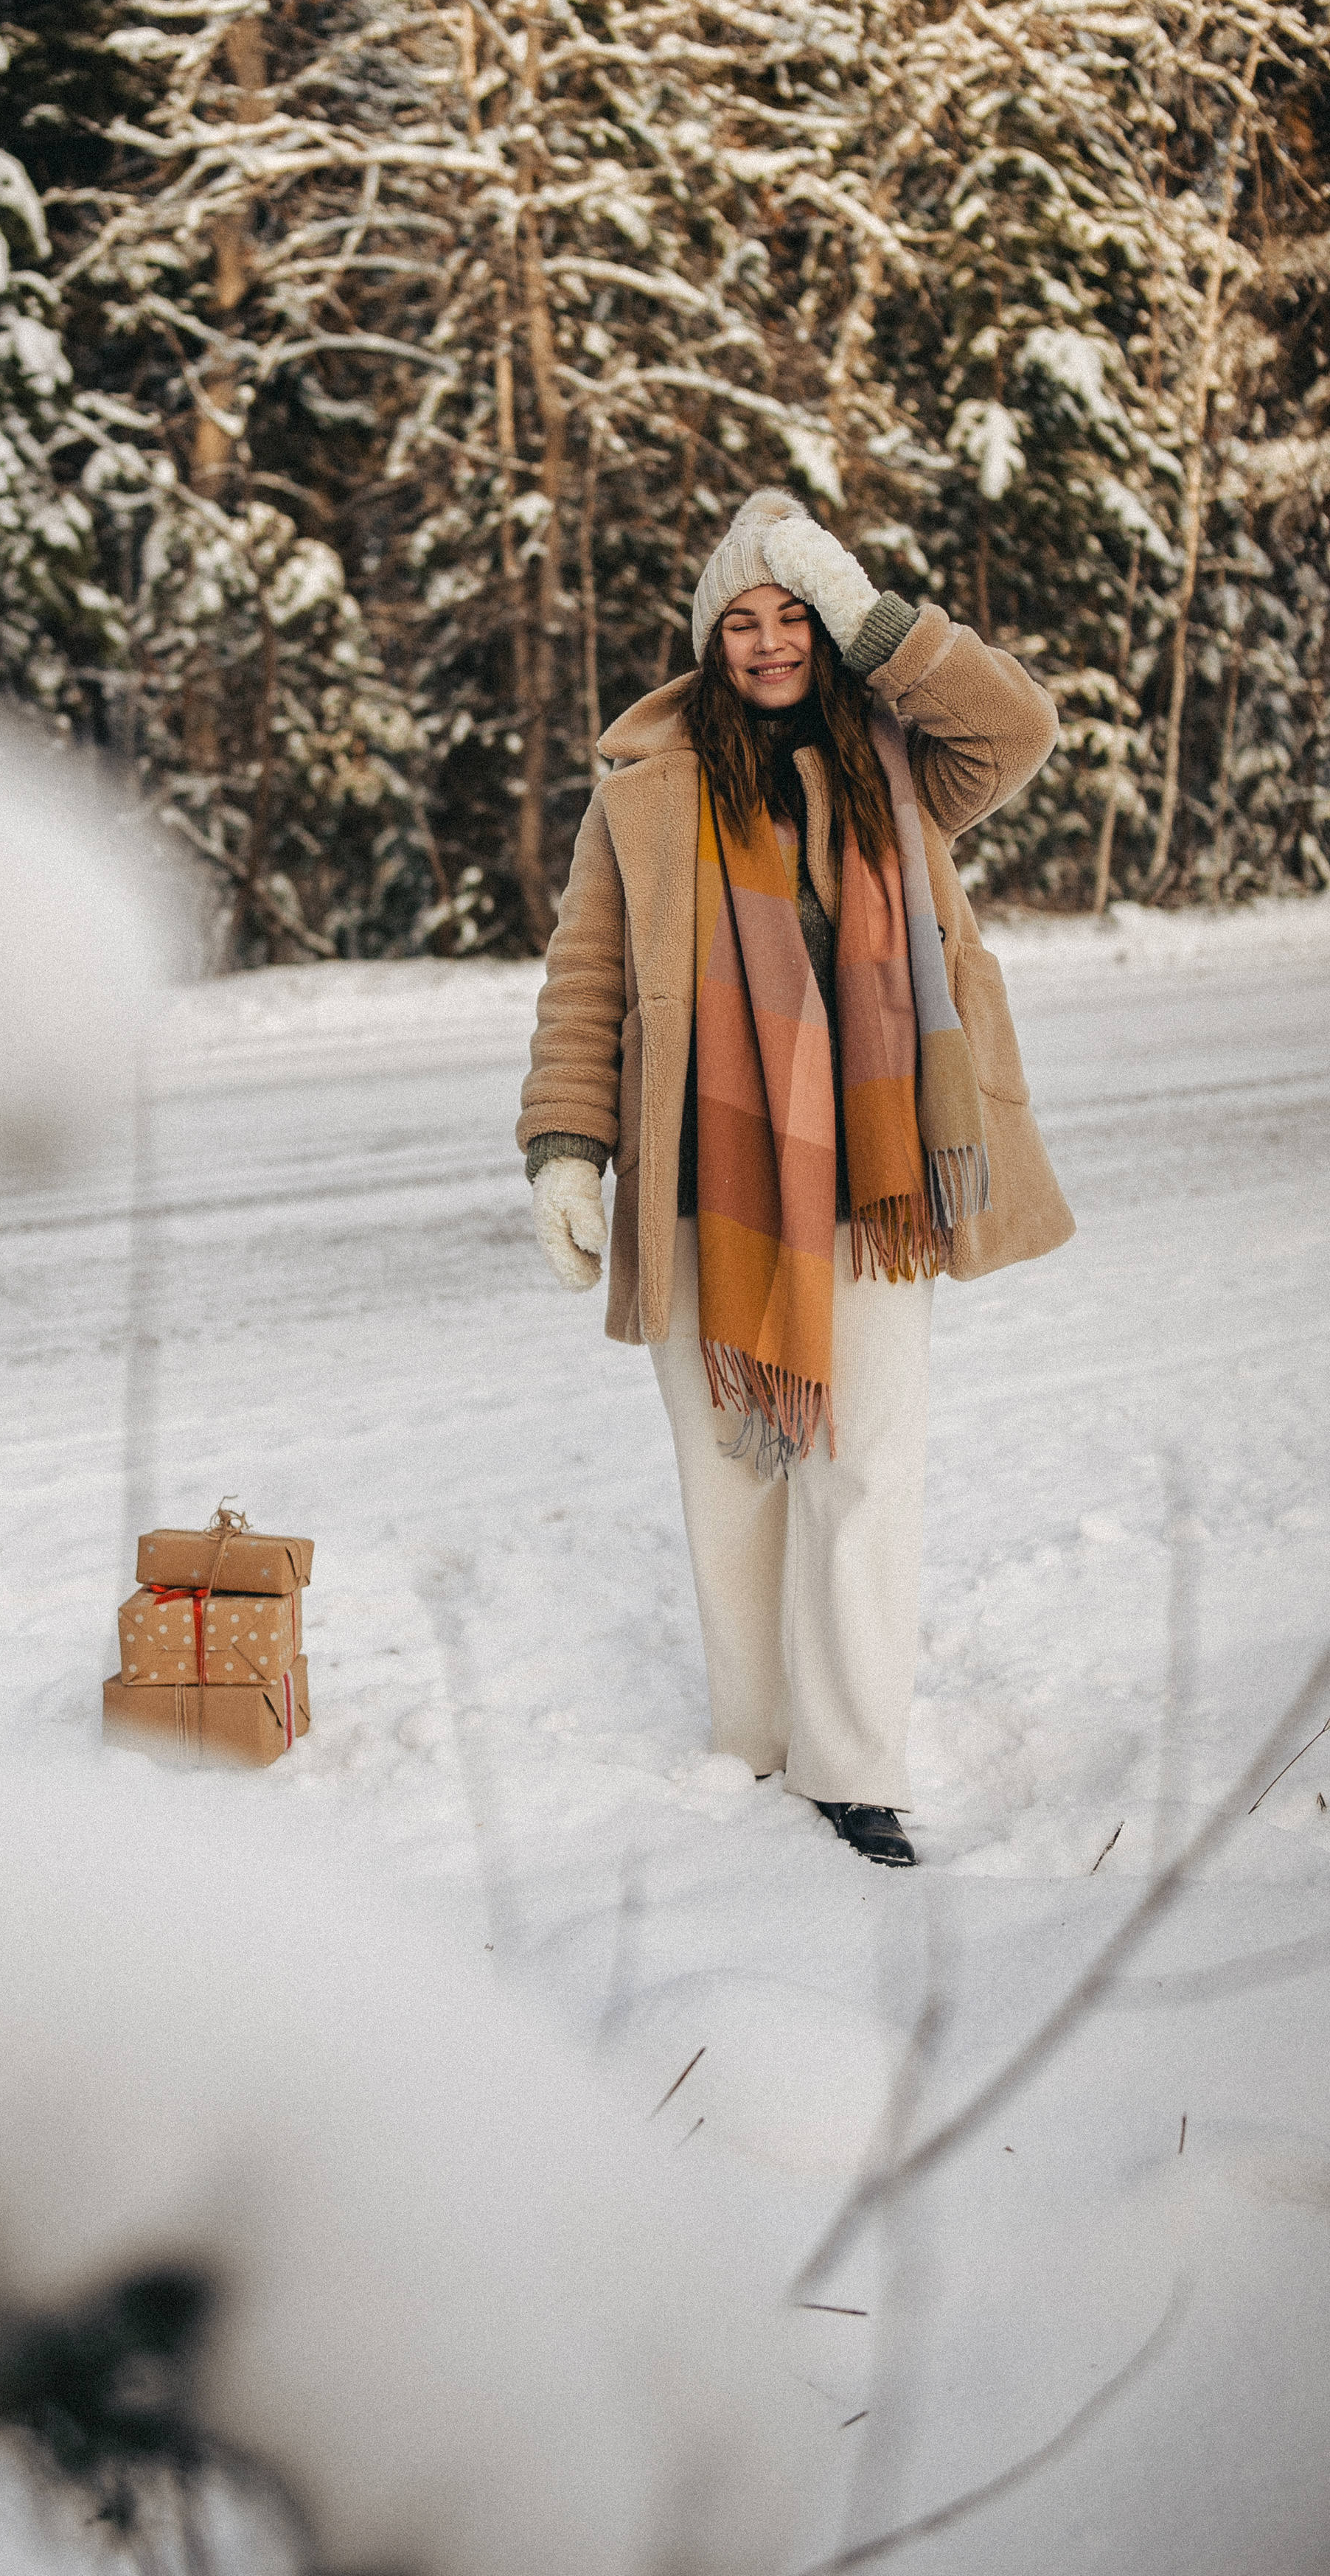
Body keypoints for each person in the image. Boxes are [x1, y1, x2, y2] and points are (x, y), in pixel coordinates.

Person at [518, 489, 1073, 1868]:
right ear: (710, 648)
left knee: (865, 1464)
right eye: (743, 623)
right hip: (708, 1174)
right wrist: (565, 1151)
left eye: (794, 618)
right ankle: (757, 1736)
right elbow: (586, 983)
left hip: (873, 1179)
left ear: (826, 634)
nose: (769, 645)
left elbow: (1020, 724)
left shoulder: (910, 768)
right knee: (734, 1472)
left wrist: (873, 610)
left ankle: (852, 1762)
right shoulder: (642, 799)